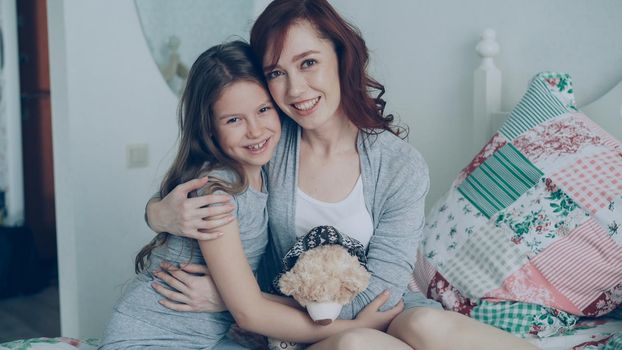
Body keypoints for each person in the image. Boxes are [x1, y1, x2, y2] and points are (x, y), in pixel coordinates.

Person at [146, 1, 539, 349]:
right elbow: (202, 175)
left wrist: (238, 300)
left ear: (341, 56)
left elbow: (382, 296)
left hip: (385, 312)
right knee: (356, 343)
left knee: (428, 323)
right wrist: (157, 212)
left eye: (308, 62)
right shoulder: (267, 144)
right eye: (277, 72)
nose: (296, 88)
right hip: (303, 334)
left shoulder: (400, 165)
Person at [100, 40, 399, 350]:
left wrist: (154, 211)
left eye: (263, 110)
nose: (255, 131)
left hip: (210, 339)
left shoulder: (266, 169)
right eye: (233, 120)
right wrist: (356, 326)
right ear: (210, 129)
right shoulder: (218, 194)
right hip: (150, 340)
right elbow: (249, 313)